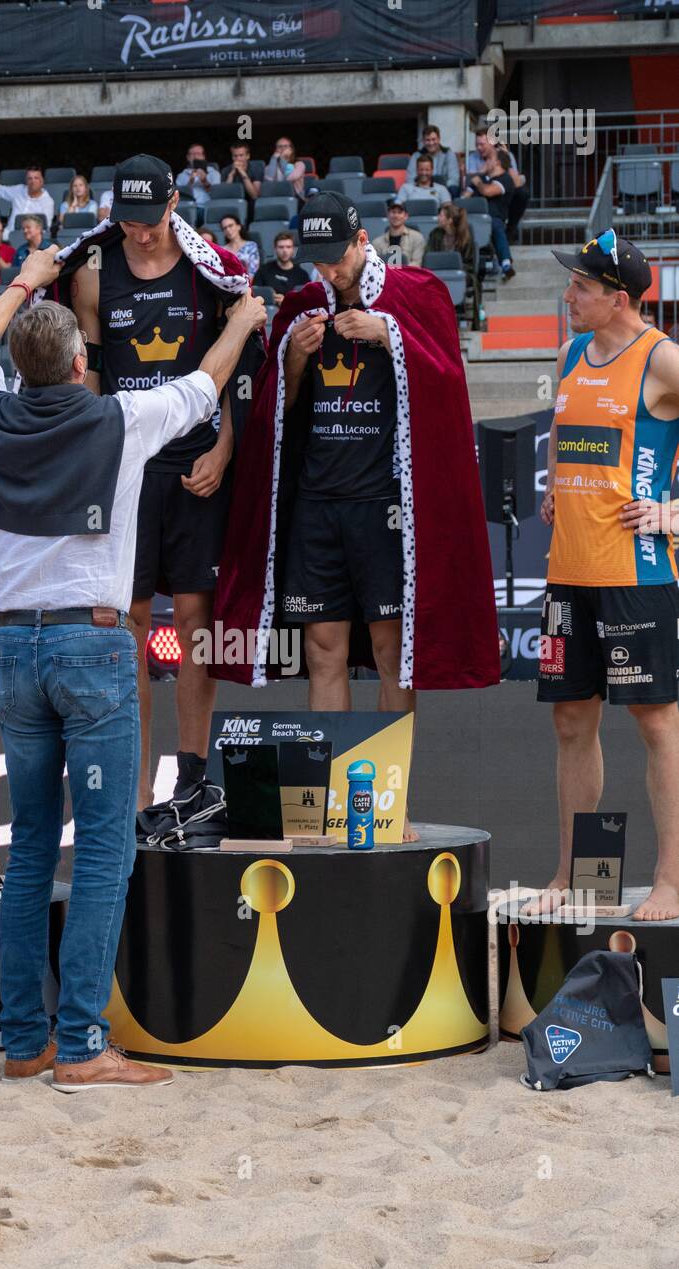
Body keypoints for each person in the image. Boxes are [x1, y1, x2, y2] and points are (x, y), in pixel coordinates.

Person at [0, 245, 266, 1090]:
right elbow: (205, 384)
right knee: (99, 849)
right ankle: (83, 1044)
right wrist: (240, 319)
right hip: (92, 648)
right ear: (83, 362)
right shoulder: (119, 421)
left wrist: (26, 276)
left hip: (12, 647)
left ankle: (25, 1043)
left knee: (26, 857)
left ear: (19, 366)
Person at [211, 192, 499, 839]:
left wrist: (389, 336)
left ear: (362, 240)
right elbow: (273, 422)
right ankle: (329, 807)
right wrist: (292, 360)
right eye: (317, 263)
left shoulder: (414, 296)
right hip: (318, 507)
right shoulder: (300, 308)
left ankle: (382, 806)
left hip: (385, 509)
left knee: (394, 654)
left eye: (336, 260)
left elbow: (449, 387)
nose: (328, 274)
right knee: (322, 652)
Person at [67, 154, 261, 818]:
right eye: (128, 222)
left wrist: (227, 447)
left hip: (195, 461)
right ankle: (134, 781)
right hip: (128, 462)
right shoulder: (94, 275)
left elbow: (237, 366)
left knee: (195, 622)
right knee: (130, 624)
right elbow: (90, 376)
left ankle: (192, 779)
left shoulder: (210, 272)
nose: (141, 235)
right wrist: (93, 459)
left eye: (151, 222)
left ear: (175, 203)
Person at [538, 231, 679, 923]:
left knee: (656, 724)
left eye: (581, 288)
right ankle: (571, 875)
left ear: (617, 298)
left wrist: (672, 511)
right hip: (569, 571)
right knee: (571, 721)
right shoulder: (569, 352)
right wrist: (558, 488)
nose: (569, 296)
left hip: (637, 573)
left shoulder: (662, 360)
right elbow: (571, 436)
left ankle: (671, 881)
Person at [466, 125, 529, 241]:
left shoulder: (507, 156)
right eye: (477, 145)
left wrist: (506, 162)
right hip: (485, 195)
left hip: (503, 194)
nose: (479, 148)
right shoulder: (472, 158)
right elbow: (469, 182)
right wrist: (484, 171)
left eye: (482, 144)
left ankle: (511, 229)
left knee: (522, 193)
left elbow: (517, 184)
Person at [464, 147, 515, 280]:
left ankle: (505, 264)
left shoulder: (505, 179)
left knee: (494, 224)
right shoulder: (481, 179)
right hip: (471, 218)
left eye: (489, 159)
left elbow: (488, 191)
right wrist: (478, 179)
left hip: (493, 219)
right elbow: (464, 198)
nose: (485, 161)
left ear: (497, 162)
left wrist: (478, 181)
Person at [426, 203, 480, 327]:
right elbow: (429, 257)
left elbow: (470, 263)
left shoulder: (465, 237)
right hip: (438, 274)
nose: (438, 218)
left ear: (449, 220)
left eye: (441, 215)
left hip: (461, 274)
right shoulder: (435, 234)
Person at [253, 231, 309, 304]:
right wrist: (269, 297)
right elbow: (255, 292)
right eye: (281, 247)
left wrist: (286, 300)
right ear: (275, 249)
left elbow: (307, 299)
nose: (285, 250)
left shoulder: (302, 275)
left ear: (293, 249)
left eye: (288, 247)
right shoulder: (263, 270)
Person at [406, 125, 460, 197]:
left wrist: (440, 190)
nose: (431, 143)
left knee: (454, 189)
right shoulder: (416, 156)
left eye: (433, 139)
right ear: (423, 141)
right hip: (421, 190)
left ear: (439, 139)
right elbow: (410, 179)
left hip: (445, 190)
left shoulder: (448, 154)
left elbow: (454, 179)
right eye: (428, 140)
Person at [371, 199, 425, 267]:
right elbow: (375, 267)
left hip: (407, 276)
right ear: (388, 215)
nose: (396, 216)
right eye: (393, 212)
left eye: (399, 212)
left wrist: (398, 271)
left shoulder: (417, 238)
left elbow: (417, 264)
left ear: (406, 216)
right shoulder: (377, 243)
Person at [175, 144, 220, 221]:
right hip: (189, 209)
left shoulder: (213, 173)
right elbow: (180, 197)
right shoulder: (182, 175)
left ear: (204, 156)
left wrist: (205, 181)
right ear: (188, 157)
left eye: (198, 154)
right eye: (192, 154)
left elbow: (217, 194)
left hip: (208, 208)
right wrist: (190, 182)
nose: (195, 157)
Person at [220, 141, 261, 217]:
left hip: (251, 202)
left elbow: (254, 195)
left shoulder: (256, 168)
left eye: (241, 155)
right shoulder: (226, 170)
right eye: (235, 156)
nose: (238, 159)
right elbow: (225, 194)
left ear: (248, 156)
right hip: (232, 200)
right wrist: (231, 175)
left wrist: (243, 173)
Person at [218, 214, 260, 279]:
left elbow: (253, 271)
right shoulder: (222, 250)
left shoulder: (251, 246)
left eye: (230, 226)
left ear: (239, 226)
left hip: (248, 284)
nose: (228, 230)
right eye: (224, 228)